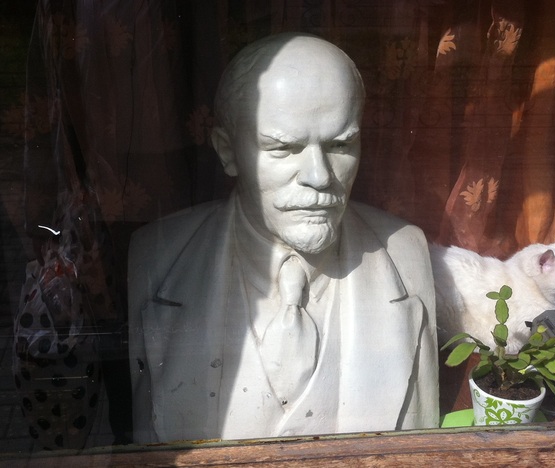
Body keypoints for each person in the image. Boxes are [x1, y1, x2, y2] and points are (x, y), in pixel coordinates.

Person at [128, 33, 439, 444]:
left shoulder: (406, 254)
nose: (319, 175)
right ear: (227, 151)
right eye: (283, 148)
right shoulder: (158, 259)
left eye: (340, 144)